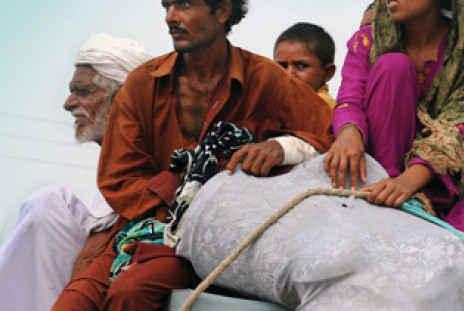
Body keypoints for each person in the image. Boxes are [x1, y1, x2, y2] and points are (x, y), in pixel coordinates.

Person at [51, 0, 333, 310]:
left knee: (131, 292)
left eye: (184, 4)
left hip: (218, 238)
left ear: (223, 10)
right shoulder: (142, 84)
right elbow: (119, 180)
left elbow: (329, 134)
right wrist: (188, 185)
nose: (171, 17)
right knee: (72, 303)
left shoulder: (268, 79)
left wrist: (282, 148)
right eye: (167, 5)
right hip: (142, 228)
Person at [324, 0, 464, 309]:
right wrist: (349, 132)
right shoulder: (368, 40)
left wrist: (409, 182)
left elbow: (457, 127)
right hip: (382, 168)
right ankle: (391, 202)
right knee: (393, 65)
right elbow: (350, 97)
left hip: (451, 175)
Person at [0, 34, 150, 311]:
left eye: (82, 91)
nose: (68, 103)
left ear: (122, 98)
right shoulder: (114, 166)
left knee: (47, 205)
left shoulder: (154, 157)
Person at [273, 22, 337, 108]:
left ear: (327, 73)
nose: (288, 74)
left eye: (301, 65)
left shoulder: (323, 108)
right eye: (282, 66)